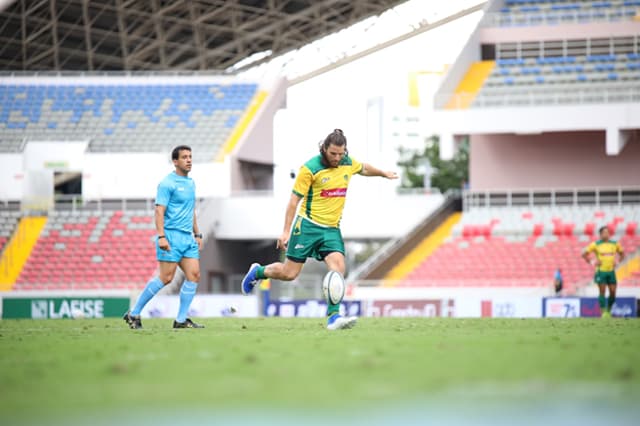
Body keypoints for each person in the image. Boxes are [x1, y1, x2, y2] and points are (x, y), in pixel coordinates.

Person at [240, 129, 398, 330]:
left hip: (331, 229)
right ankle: (258, 272)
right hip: (307, 226)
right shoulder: (310, 169)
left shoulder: (347, 162)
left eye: (341, 154)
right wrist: (286, 231)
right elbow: (293, 201)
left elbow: (363, 168)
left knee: (339, 267)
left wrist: (383, 173)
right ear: (324, 149)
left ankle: (334, 317)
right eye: (333, 154)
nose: (337, 158)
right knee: (289, 274)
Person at [123, 145, 204, 329]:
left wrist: (197, 233)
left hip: (187, 238)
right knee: (166, 278)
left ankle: (181, 320)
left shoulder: (191, 183)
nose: (189, 160)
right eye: (184, 157)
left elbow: (190, 211)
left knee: (194, 275)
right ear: (175, 161)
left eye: (190, 156)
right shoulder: (167, 183)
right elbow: (159, 211)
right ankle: (133, 313)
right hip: (171, 235)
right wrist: (161, 236)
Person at [582, 226, 625, 318]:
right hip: (601, 271)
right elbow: (584, 254)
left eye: (608, 232)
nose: (607, 234)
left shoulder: (615, 244)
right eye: (604, 232)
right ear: (600, 234)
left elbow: (622, 254)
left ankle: (609, 310)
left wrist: (617, 261)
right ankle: (603, 312)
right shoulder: (595, 244)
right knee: (602, 291)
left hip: (611, 271)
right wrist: (593, 262)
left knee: (613, 292)